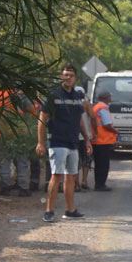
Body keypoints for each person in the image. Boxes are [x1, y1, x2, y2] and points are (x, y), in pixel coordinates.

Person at [36, 63, 95, 222]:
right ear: (61, 77)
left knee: (71, 177)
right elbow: (42, 120)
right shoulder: (54, 95)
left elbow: (80, 121)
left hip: (73, 143)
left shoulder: (77, 96)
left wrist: (87, 140)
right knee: (56, 176)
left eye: (71, 75)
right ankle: (49, 210)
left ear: (75, 78)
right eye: (65, 75)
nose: (68, 78)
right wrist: (40, 143)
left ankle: (70, 210)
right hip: (57, 142)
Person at [0, 89, 36, 197]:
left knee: (4, 160)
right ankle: (23, 188)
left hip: (2, 132)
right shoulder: (19, 94)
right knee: (22, 161)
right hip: (19, 132)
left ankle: (5, 187)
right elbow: (32, 110)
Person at [91, 90, 118, 191]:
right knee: (103, 164)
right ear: (105, 98)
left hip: (97, 140)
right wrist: (116, 131)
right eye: (110, 97)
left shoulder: (96, 107)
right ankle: (100, 185)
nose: (111, 99)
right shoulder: (103, 107)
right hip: (103, 140)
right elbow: (106, 124)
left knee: (98, 164)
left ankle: (98, 184)